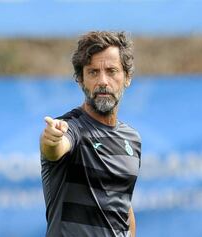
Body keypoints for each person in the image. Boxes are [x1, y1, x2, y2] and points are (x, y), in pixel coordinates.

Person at [40, 31, 141, 237]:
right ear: (80, 80)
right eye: (93, 72)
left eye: (111, 71)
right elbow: (55, 148)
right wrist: (52, 140)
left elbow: (123, 206)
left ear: (127, 78)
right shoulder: (72, 128)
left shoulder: (132, 139)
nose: (103, 81)